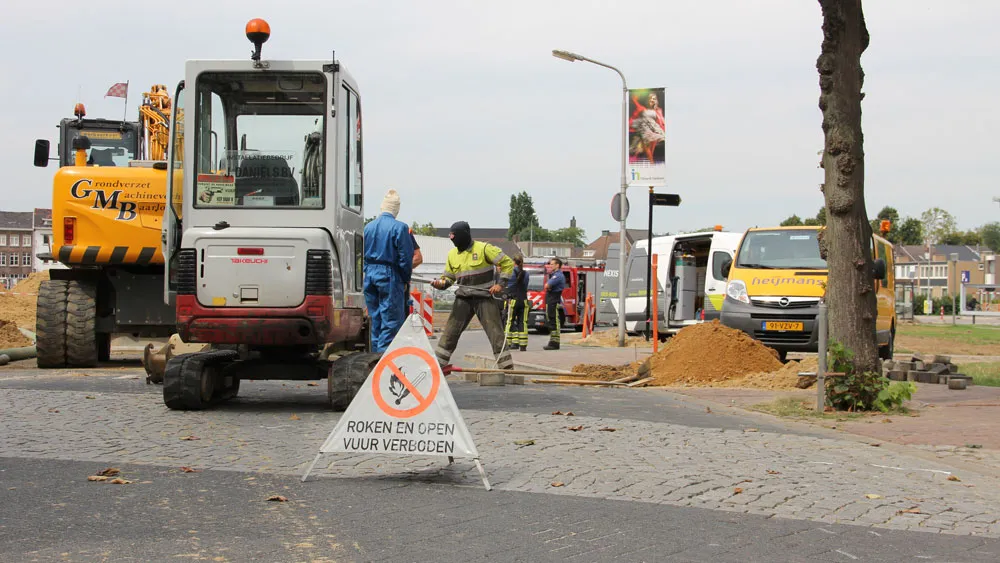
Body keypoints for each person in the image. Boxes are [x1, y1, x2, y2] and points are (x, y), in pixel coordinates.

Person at [430, 221, 515, 372]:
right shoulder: (452, 255)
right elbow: (448, 279)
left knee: (496, 334)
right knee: (450, 333)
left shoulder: (484, 249)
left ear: (464, 235)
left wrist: (500, 284)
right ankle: (438, 367)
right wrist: (440, 283)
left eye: (455, 237)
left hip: (484, 297)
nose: (454, 241)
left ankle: (507, 369)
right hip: (463, 299)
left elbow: (507, 263)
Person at [362, 189, 414, 354]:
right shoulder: (400, 228)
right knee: (390, 321)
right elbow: (405, 258)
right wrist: (405, 279)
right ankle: (383, 361)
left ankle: (374, 358)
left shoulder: (368, 227)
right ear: (396, 209)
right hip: (389, 275)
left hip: (369, 274)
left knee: (375, 319)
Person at [504, 255, 531, 351]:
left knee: (509, 321)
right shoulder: (526, 273)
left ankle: (507, 343)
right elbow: (525, 285)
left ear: (514, 262)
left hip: (513, 300)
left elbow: (508, 287)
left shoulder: (511, 272)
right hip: (524, 300)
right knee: (523, 322)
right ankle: (523, 345)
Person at [543, 257, 566, 351]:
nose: (550, 266)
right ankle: (552, 342)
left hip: (553, 300)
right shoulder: (554, 275)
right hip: (550, 301)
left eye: (552, 264)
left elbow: (547, 285)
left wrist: (548, 287)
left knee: (554, 321)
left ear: (557, 265)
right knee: (551, 321)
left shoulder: (558, 276)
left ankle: (555, 343)